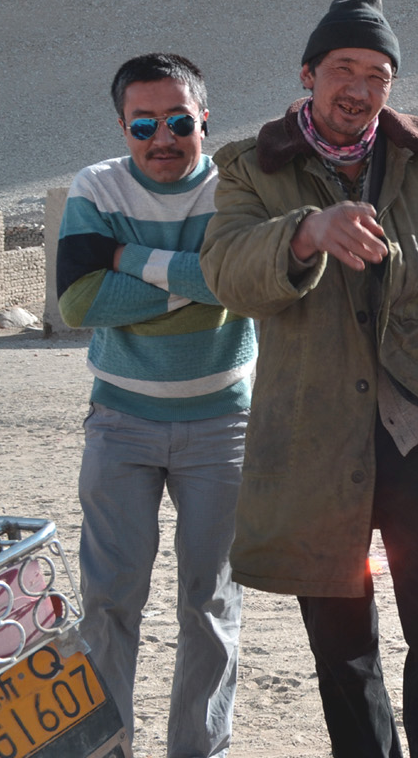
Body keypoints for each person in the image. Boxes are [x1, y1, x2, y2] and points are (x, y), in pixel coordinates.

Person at [199, 0, 418, 756]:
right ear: (309, 74)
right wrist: (306, 233)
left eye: (377, 74)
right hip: (317, 445)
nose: (359, 87)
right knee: (343, 650)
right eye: (343, 69)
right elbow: (226, 269)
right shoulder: (256, 168)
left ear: (392, 87)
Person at [56, 53, 255, 758]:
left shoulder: (239, 189)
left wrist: (126, 259)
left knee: (212, 604)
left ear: (204, 118)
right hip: (121, 424)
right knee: (109, 603)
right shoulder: (97, 186)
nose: (161, 139)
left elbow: (248, 284)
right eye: (144, 125)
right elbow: (79, 302)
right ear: (123, 126)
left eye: (177, 121)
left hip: (223, 427)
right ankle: (107, 749)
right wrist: (204, 278)